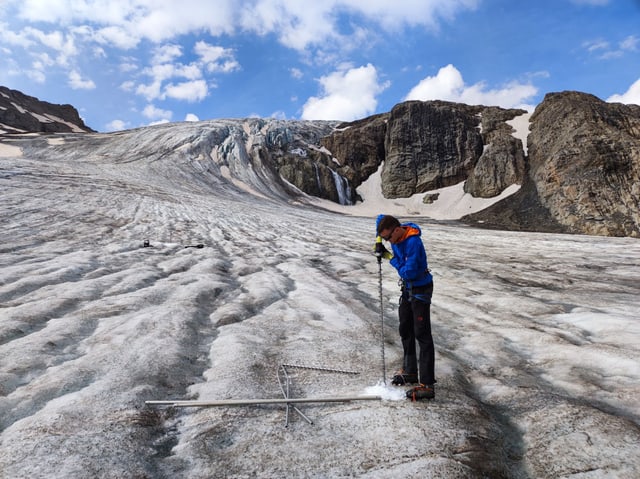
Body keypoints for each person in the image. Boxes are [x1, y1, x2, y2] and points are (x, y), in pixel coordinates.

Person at [376, 214, 436, 400]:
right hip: (408, 290)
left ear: (397, 230)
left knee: (422, 334)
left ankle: (427, 384)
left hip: (420, 289)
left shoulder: (413, 243)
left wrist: (390, 258)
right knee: (405, 329)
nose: (387, 241)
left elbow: (408, 272)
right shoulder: (393, 232)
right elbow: (379, 219)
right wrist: (378, 241)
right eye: (385, 238)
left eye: (388, 238)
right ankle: (410, 371)